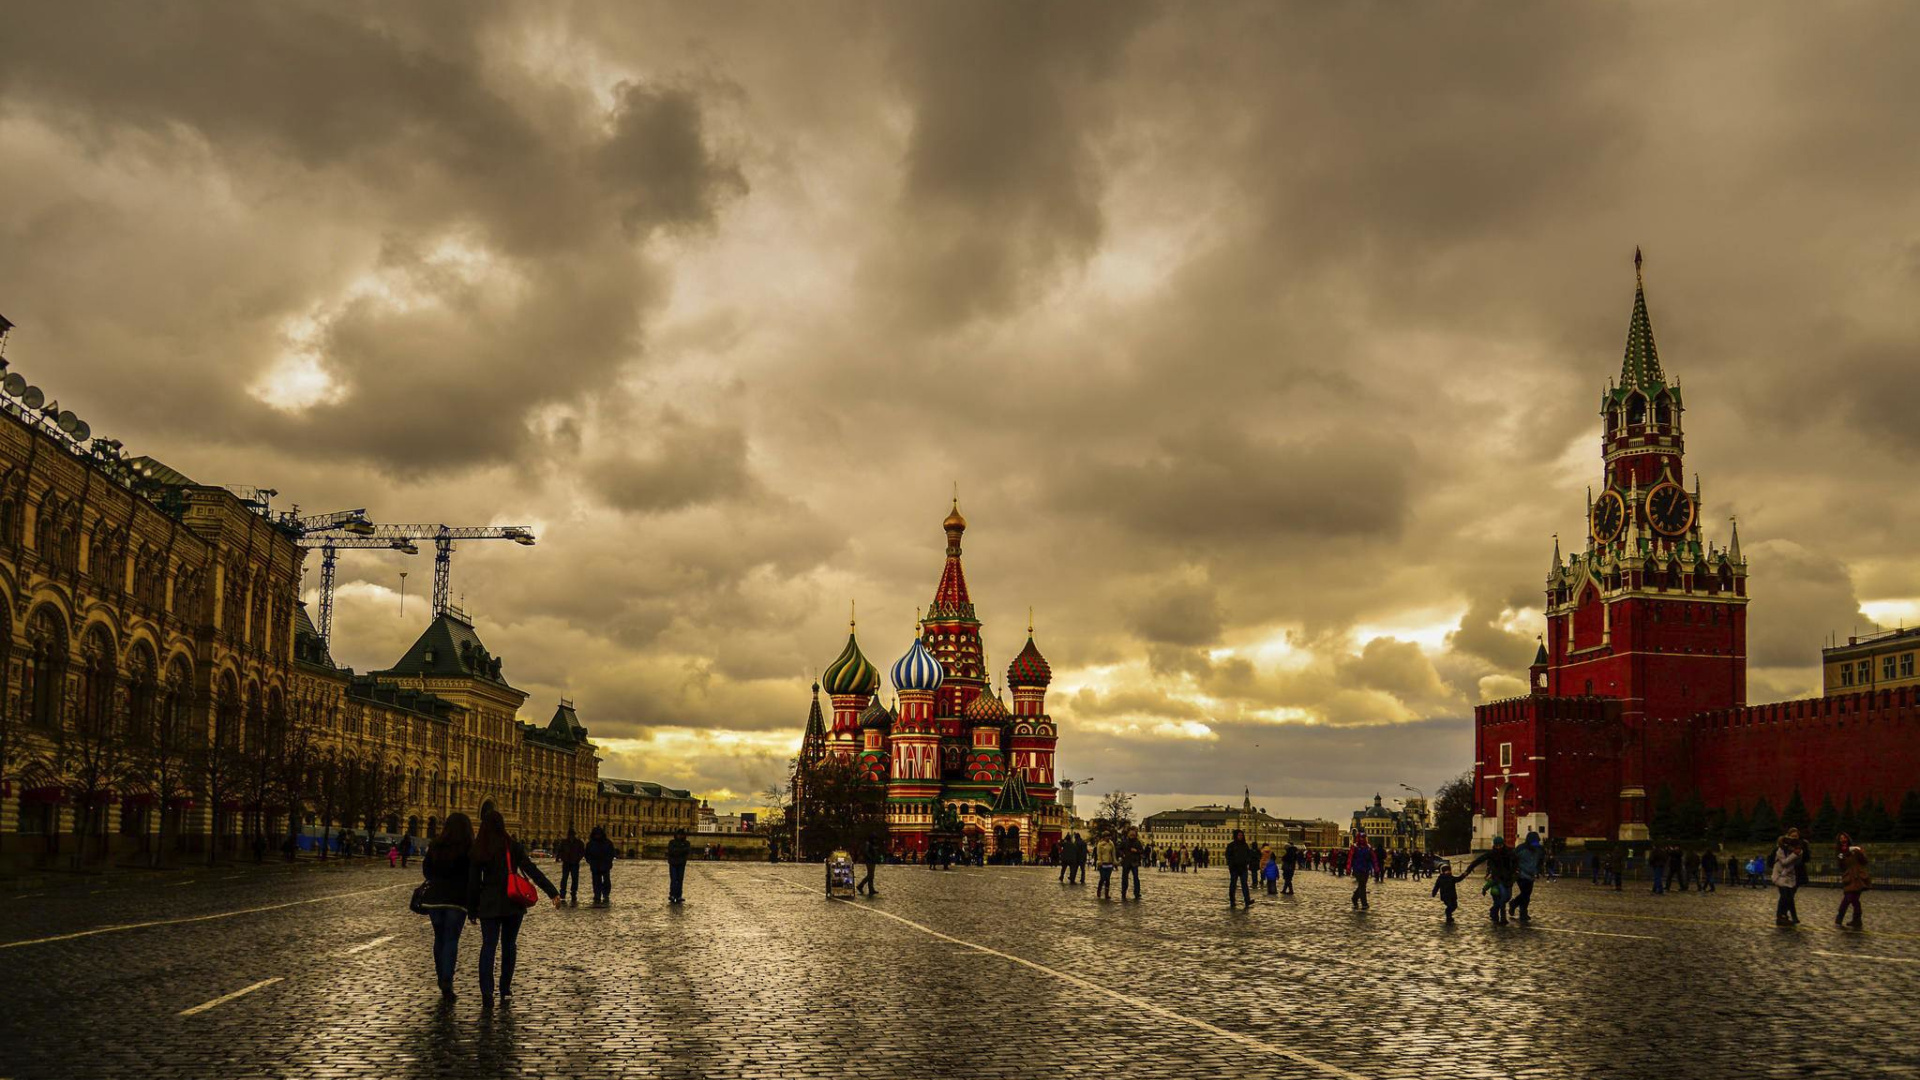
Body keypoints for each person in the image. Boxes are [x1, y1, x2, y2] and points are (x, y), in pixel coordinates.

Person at [466, 808, 560, 1007]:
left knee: (488, 947)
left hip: (489, 905)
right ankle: (505, 988)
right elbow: (531, 870)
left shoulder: (479, 848)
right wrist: (552, 892)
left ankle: (486, 992)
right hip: (512, 902)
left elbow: (473, 883)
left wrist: (472, 909)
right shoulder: (511, 846)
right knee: (509, 946)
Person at [419, 812, 473, 1002]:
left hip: (435, 901)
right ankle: (447, 980)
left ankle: (441, 975)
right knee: (451, 940)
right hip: (457, 902)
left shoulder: (436, 845)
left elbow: (426, 870)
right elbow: (472, 877)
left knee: (439, 939)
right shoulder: (468, 848)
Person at [1465, 835, 1517, 925]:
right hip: (1498, 878)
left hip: (1508, 878)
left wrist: (1514, 871)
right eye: (1497, 846)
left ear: (1503, 844)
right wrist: (1468, 870)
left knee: (1507, 897)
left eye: (1500, 846)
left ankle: (1494, 910)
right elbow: (1478, 860)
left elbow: (1516, 861)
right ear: (1494, 845)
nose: (1498, 848)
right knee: (1503, 897)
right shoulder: (1492, 854)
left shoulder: (1509, 852)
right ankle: (1503, 918)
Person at [1509, 831, 1543, 923]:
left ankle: (1518, 908)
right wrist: (1515, 870)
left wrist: (1538, 870)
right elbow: (1512, 859)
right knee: (1525, 893)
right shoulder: (1520, 849)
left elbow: (1541, 860)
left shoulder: (1539, 850)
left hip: (1531, 875)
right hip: (1521, 874)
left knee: (1527, 894)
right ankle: (1520, 910)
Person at [1770, 833, 1803, 927]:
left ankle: (1783, 916)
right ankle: (1780, 917)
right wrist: (1794, 854)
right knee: (1784, 896)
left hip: (1789, 878)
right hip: (1779, 876)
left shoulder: (1798, 851)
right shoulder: (1780, 850)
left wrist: (1797, 853)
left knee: (1788, 898)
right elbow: (1784, 862)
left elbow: (1795, 864)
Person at [1837, 846, 1869, 929]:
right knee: (1849, 899)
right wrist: (1840, 859)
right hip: (1849, 878)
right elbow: (1842, 867)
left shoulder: (1855, 851)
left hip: (1857, 878)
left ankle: (1841, 919)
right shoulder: (1841, 853)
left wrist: (1859, 852)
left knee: (1851, 899)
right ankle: (1854, 920)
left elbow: (1864, 861)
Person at [584, 826, 617, 905]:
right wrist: (590, 861)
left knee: (606, 881)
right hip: (595, 865)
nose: (597, 836)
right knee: (596, 881)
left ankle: (605, 894)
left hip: (605, 865)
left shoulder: (607, 843)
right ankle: (597, 894)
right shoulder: (591, 844)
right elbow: (587, 854)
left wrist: (609, 861)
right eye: (596, 834)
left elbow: (611, 853)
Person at [1225, 829, 1255, 908]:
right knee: (1233, 884)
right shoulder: (1231, 845)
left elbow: (1249, 854)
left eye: (1241, 835)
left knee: (1244, 884)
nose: (1240, 837)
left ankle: (1247, 900)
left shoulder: (1245, 845)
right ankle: (1232, 900)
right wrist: (1231, 863)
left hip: (1243, 868)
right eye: (1239, 835)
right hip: (1234, 868)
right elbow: (1227, 855)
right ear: (1236, 836)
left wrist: (1247, 861)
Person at [556, 829, 586, 906]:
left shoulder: (579, 843)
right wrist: (560, 857)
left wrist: (578, 858)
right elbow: (560, 850)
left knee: (574, 878)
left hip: (575, 863)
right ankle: (563, 893)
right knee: (564, 878)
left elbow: (582, 852)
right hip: (566, 862)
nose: (571, 836)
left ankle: (573, 893)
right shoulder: (564, 842)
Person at [1348, 836, 1375, 910]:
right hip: (1357, 869)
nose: (1362, 839)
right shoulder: (1354, 847)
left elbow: (1373, 858)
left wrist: (1375, 867)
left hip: (1366, 869)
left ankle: (1354, 898)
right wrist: (1349, 868)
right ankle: (1364, 903)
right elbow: (1350, 858)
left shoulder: (1368, 847)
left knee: (1362, 885)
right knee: (1362, 885)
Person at [666, 828, 692, 903]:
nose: (680, 836)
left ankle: (678, 895)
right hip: (673, 863)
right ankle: (672, 895)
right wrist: (681, 850)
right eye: (679, 835)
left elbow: (687, 851)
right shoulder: (672, 842)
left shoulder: (686, 843)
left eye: (681, 835)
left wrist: (677, 851)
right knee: (674, 879)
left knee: (680, 879)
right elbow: (671, 851)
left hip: (681, 863)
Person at [1119, 827, 1144, 901]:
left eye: (1133, 834)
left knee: (1136, 878)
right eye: (1131, 834)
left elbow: (1142, 851)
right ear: (1128, 834)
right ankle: (1123, 893)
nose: (1132, 835)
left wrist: (1136, 851)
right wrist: (1122, 854)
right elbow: (1119, 849)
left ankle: (1137, 893)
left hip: (1134, 862)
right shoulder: (1124, 841)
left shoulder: (1137, 842)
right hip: (1126, 861)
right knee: (1124, 878)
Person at [859, 832, 883, 897]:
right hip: (869, 861)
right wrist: (871, 857)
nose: (875, 840)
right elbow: (866, 852)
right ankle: (860, 886)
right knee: (870, 875)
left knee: (871, 875)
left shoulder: (873, 844)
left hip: (872, 860)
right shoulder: (868, 844)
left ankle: (871, 889)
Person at [1094, 833, 1117, 900]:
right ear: (1104, 837)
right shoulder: (1100, 844)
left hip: (1109, 863)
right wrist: (1099, 861)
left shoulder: (1111, 843)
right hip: (1102, 863)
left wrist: (1114, 861)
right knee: (1102, 878)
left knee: (1107, 879)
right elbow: (1099, 853)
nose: (1108, 838)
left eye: (1109, 836)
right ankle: (1099, 890)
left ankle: (1106, 894)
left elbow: (1113, 853)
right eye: (1107, 836)